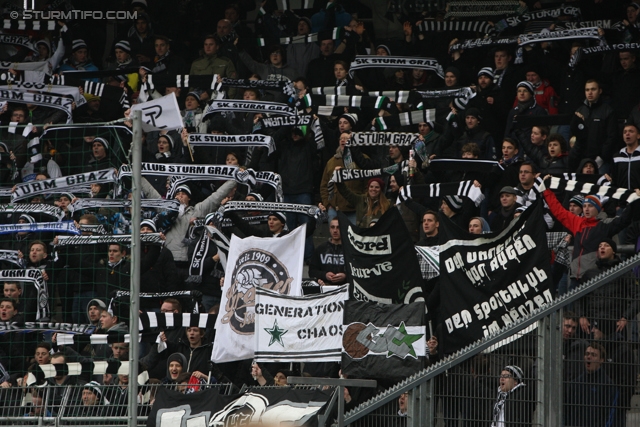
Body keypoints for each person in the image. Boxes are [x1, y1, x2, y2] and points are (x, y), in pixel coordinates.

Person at [565, 343, 619, 427]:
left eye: (593, 355)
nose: (589, 357)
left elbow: (611, 415)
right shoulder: (575, 383)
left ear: (601, 360)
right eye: (587, 354)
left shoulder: (608, 385)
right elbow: (568, 412)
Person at [309, 218, 346, 286]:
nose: (335, 230)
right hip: (325, 287)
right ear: (329, 229)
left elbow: (358, 271)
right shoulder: (320, 249)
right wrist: (324, 275)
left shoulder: (350, 250)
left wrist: (345, 276)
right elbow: (312, 271)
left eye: (338, 227)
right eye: (332, 227)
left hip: (346, 288)